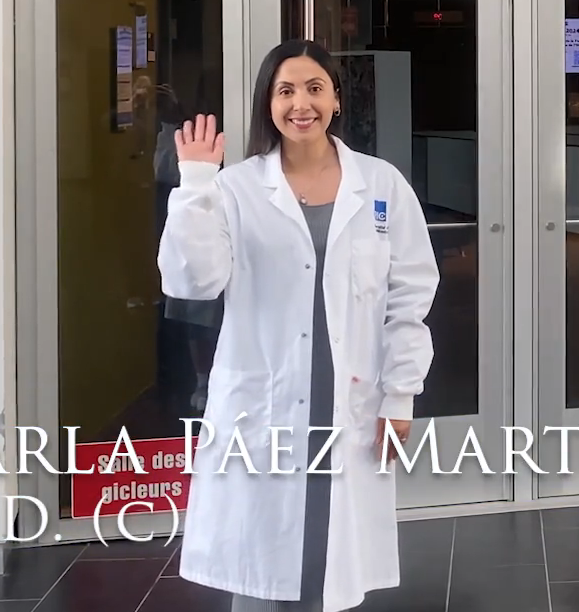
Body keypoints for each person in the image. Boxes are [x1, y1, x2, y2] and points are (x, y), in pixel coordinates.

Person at [157, 38, 438, 612]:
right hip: (265, 401)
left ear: (337, 100)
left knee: (327, 557)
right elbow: (192, 281)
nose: (300, 103)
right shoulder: (235, 188)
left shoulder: (381, 185)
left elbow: (409, 298)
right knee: (262, 566)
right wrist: (196, 186)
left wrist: (400, 395)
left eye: (314, 88)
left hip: (348, 399)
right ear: (269, 103)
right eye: (285, 90)